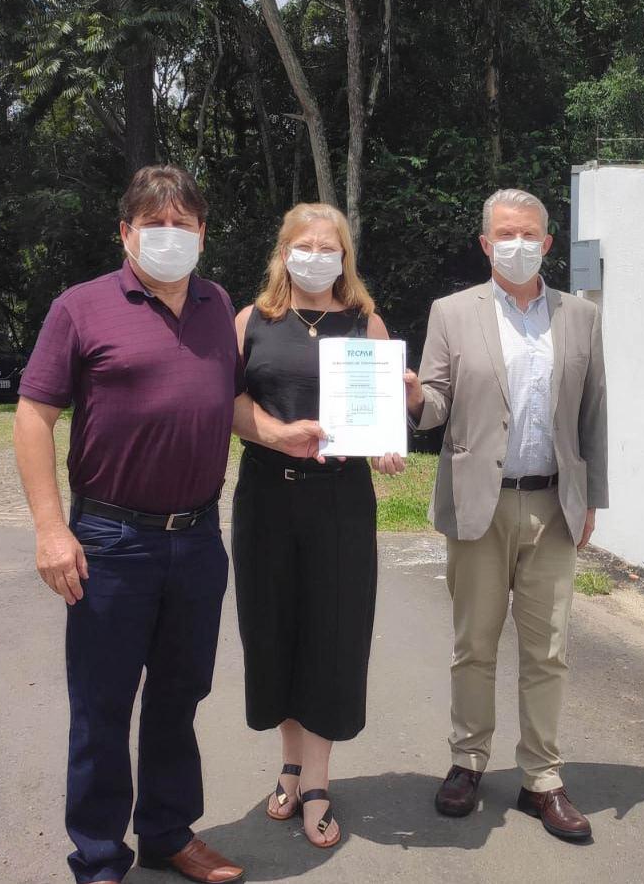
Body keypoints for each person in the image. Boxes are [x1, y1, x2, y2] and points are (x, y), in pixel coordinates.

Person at [13, 165, 247, 884]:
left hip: (198, 539)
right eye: (154, 223)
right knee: (103, 705)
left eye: (183, 224)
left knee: (180, 697)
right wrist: (52, 530)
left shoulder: (217, 305)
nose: (169, 235)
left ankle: (168, 833)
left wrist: (294, 430)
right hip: (111, 542)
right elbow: (34, 416)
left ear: (203, 232)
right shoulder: (80, 307)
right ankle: (98, 856)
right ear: (126, 231)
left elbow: (233, 402)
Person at [405, 188, 609, 843]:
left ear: (547, 243)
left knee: (548, 648)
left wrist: (592, 498)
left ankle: (541, 777)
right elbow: (436, 402)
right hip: (478, 503)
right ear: (485, 244)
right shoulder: (451, 313)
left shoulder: (580, 316)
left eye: (528, 234)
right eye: (504, 234)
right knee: (475, 642)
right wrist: (413, 397)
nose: (516, 244)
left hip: (553, 502)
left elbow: (594, 414)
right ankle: (467, 760)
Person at [230, 202, 406, 851]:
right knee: (272, 631)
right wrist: (277, 435)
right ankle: (290, 763)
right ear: (283, 253)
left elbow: (385, 413)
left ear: (344, 257)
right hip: (266, 499)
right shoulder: (251, 321)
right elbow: (229, 403)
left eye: (327, 247)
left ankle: (318, 782)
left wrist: (387, 443)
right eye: (303, 245)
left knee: (332, 637)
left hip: (340, 503)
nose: (314, 256)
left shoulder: (366, 323)